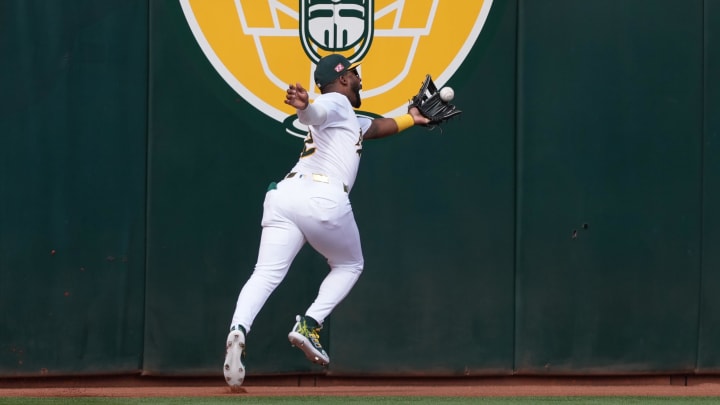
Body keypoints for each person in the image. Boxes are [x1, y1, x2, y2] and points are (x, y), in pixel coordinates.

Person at [223, 54, 430, 391]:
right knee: (350, 264)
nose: (359, 79)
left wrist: (412, 118)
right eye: (355, 74)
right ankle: (310, 323)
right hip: (322, 197)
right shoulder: (335, 102)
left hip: (285, 194)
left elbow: (376, 127)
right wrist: (305, 107)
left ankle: (238, 329)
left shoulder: (347, 119)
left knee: (264, 273)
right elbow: (316, 112)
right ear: (343, 78)